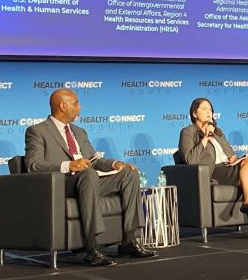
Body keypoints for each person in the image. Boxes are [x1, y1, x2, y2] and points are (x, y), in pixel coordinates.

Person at [24, 88, 157, 267]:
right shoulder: (37, 131)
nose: (80, 107)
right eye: (76, 103)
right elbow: (33, 165)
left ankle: (128, 242)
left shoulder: (79, 132)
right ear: (63, 106)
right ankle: (91, 247)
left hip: (89, 180)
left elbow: (93, 160)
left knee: (129, 174)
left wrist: (115, 164)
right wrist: (69, 165)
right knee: (88, 174)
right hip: (62, 184)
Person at [178, 97, 248, 239]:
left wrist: (235, 159)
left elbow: (230, 154)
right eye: (204, 109)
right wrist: (205, 137)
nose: (208, 112)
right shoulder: (188, 132)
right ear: (194, 114)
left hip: (228, 167)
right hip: (213, 172)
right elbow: (189, 159)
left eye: (210, 109)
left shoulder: (218, 131)